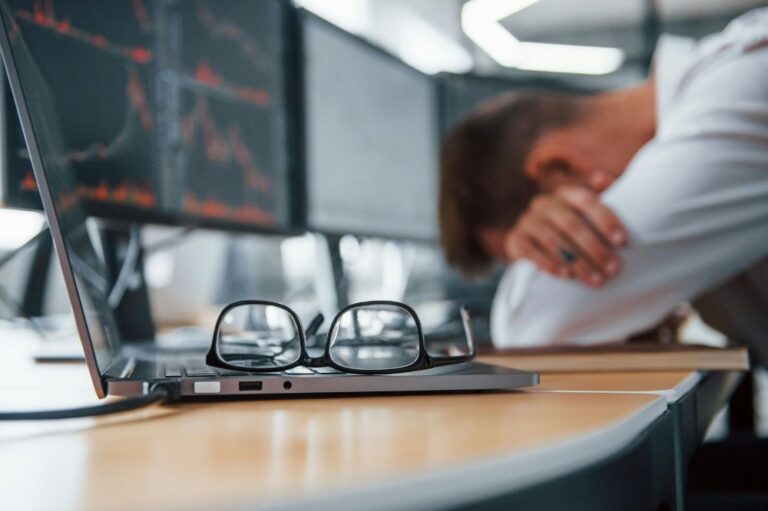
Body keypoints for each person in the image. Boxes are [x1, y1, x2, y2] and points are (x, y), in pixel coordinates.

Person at [438, 8, 768, 356]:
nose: (547, 262)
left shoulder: (736, 95)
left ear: (557, 167)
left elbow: (534, 324)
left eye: (539, 248)